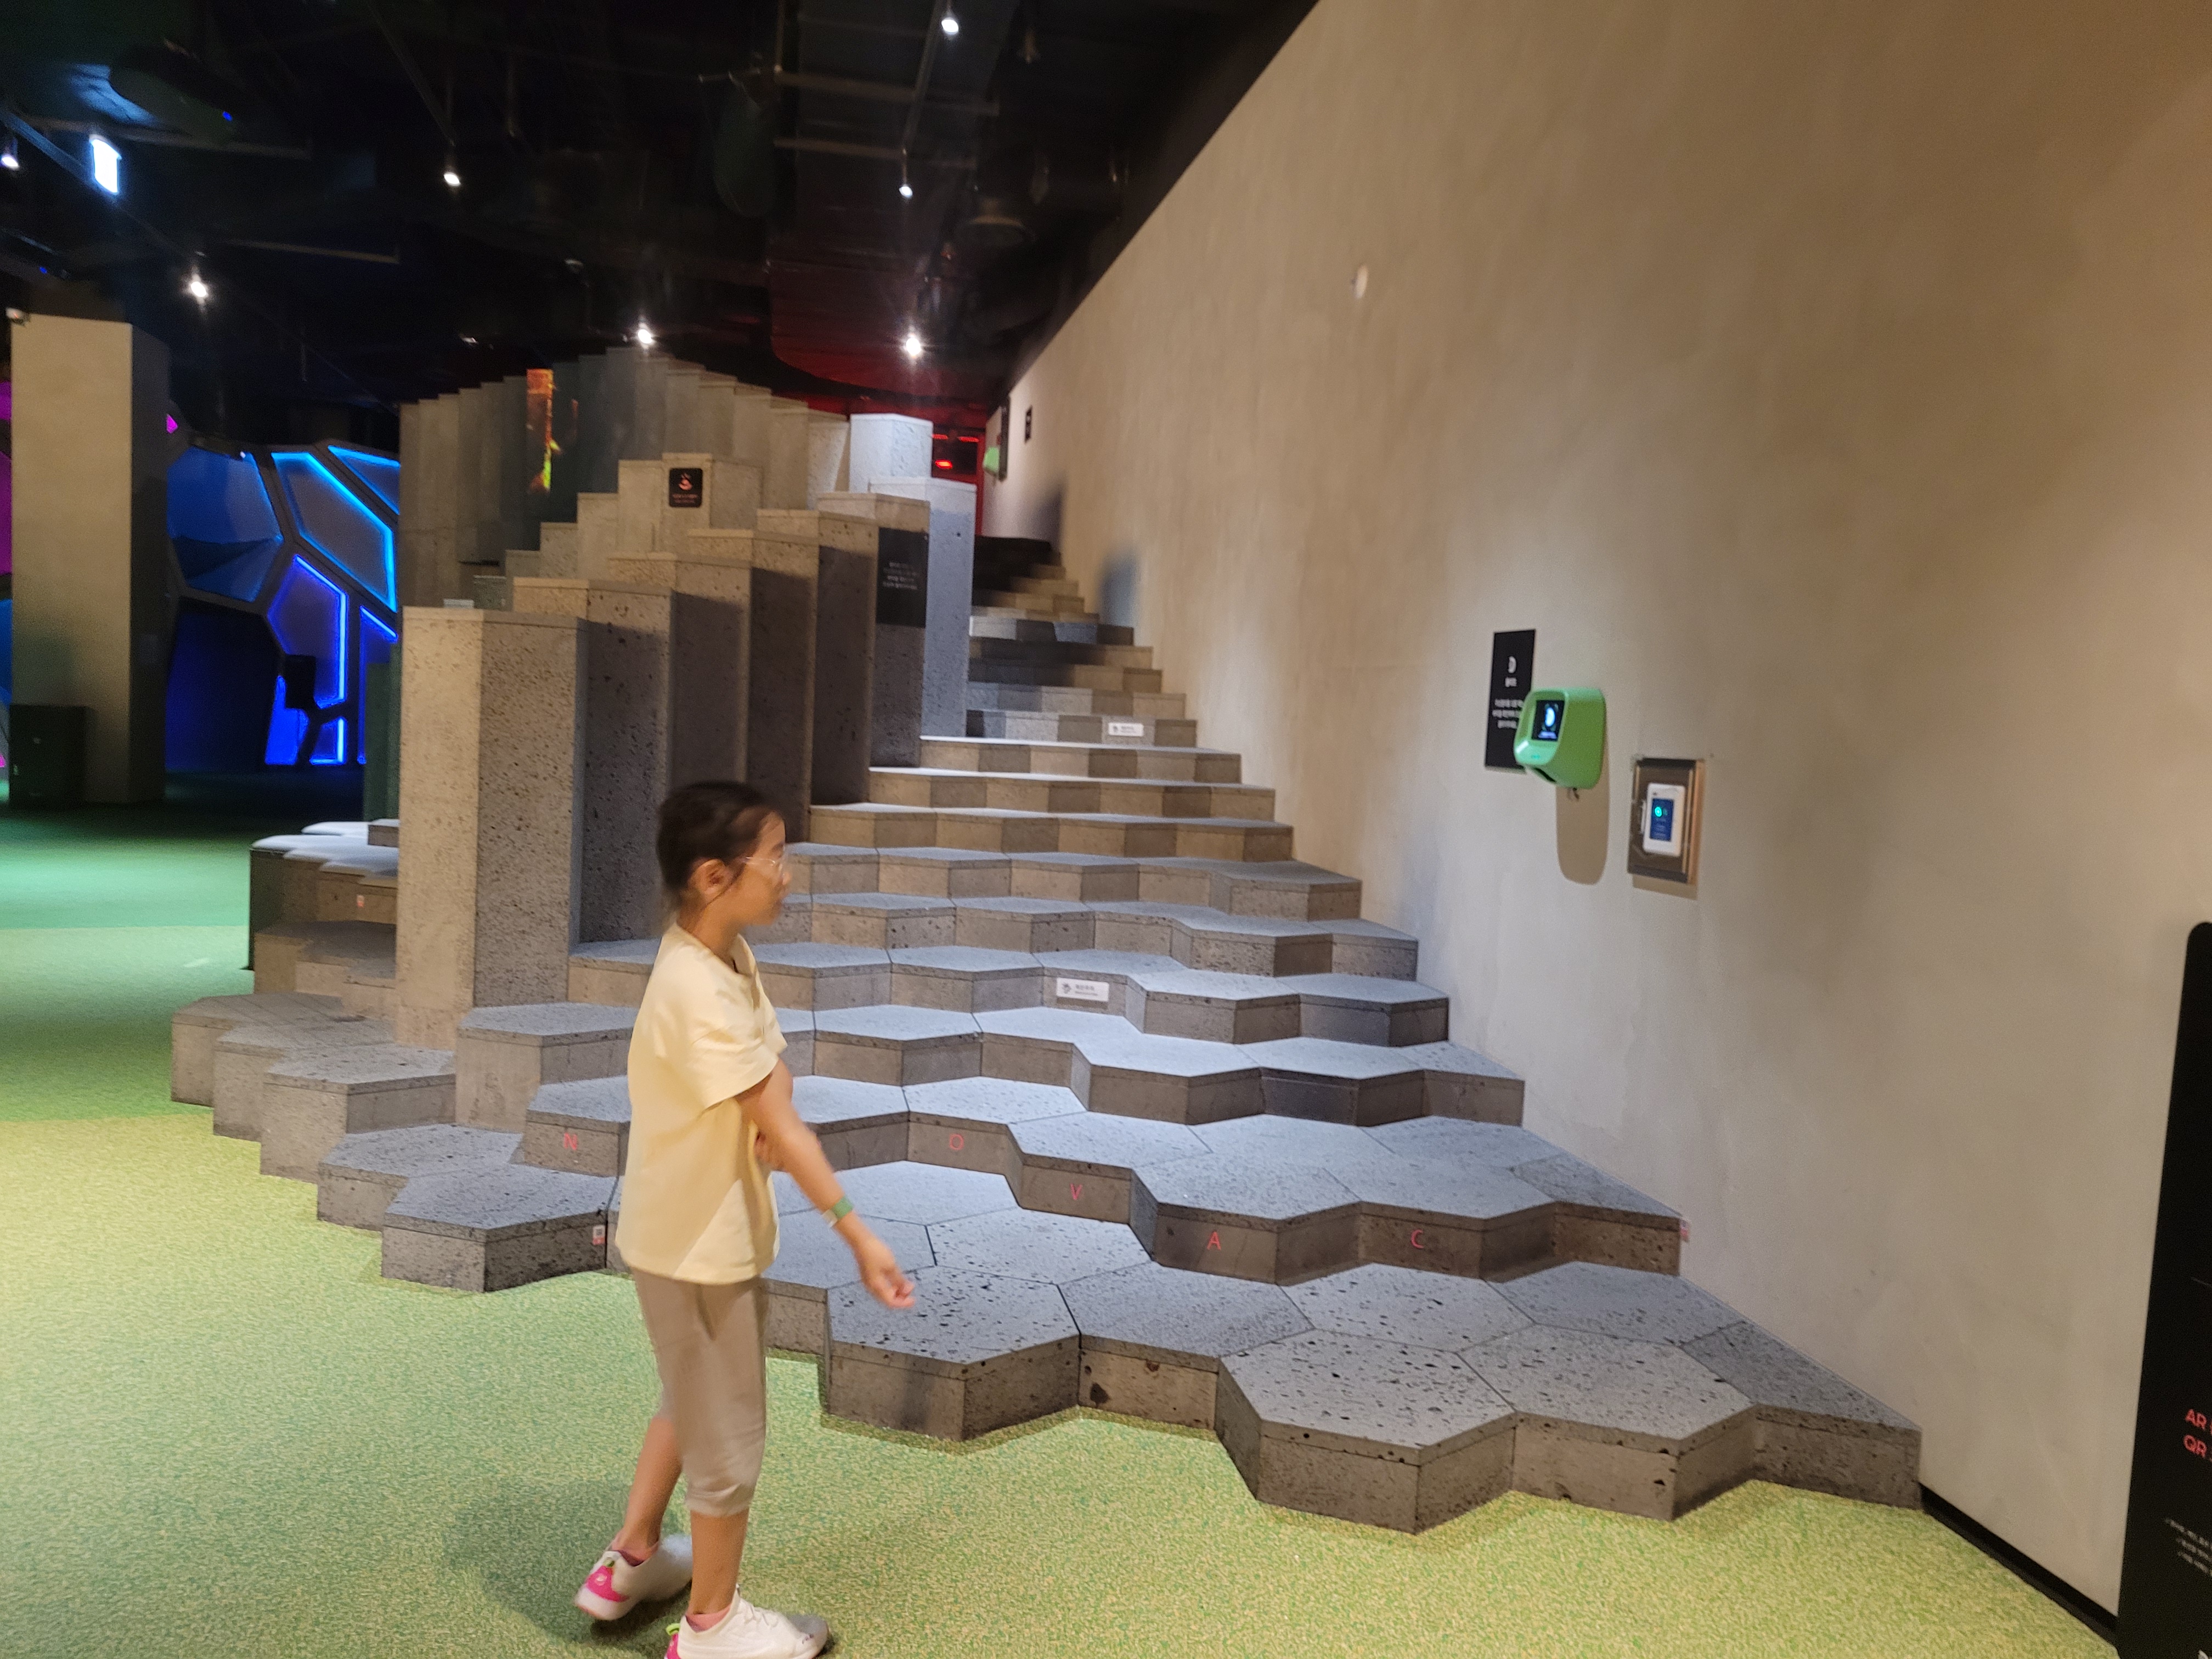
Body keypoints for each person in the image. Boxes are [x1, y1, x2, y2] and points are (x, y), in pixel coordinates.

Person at [574, 781, 915, 1659]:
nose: (788, 875)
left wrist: (767, 1110)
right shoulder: (697, 988)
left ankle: (631, 1558)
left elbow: (772, 1083)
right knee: (727, 1440)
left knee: (690, 1398)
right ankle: (712, 1626)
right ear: (715, 876)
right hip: (698, 1247)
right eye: (775, 859)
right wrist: (858, 1231)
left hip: (679, 1234)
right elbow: (782, 1119)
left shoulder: (720, 955)